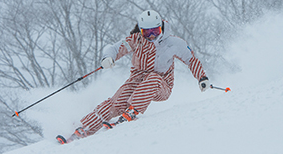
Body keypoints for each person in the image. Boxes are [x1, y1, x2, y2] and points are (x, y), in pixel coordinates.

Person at [60, 10, 210, 143]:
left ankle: (132, 112)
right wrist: (108, 58)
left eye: (155, 31)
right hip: (136, 80)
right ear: (141, 30)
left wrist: (202, 78)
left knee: (154, 78)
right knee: (116, 102)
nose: (152, 36)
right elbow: (115, 48)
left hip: (162, 85)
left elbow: (191, 60)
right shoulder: (136, 40)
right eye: (147, 32)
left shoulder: (174, 43)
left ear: (161, 28)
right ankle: (84, 128)